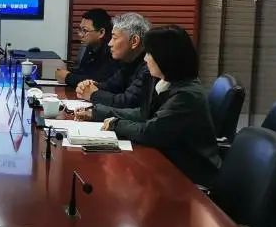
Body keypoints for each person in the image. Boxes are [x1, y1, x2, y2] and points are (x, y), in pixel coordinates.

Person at [76, 26, 221, 186]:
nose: (145, 59)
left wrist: (115, 124)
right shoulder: (169, 83)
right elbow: (144, 114)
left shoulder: (186, 95)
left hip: (189, 175)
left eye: (150, 54)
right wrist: (98, 113)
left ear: (165, 57)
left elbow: (149, 132)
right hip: (169, 163)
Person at [75, 12, 151, 109]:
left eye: (115, 38)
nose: (110, 43)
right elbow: (111, 86)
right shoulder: (129, 61)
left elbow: (128, 102)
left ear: (134, 41)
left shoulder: (149, 66)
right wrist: (89, 86)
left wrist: (93, 94)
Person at [56, 8, 117, 87]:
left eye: (85, 30)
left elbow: (100, 80)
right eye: (80, 29)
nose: (80, 34)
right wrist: (66, 72)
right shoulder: (90, 47)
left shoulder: (112, 51)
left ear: (101, 32)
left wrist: (68, 77)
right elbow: (84, 72)